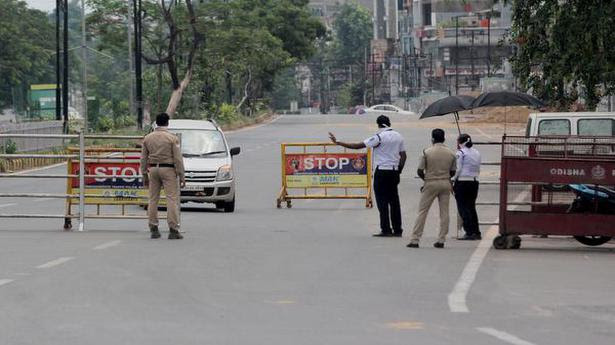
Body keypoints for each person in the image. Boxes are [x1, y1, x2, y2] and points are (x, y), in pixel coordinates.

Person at [329, 115, 407, 237]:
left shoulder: (378, 137)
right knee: (394, 202)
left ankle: (386, 229)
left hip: (381, 172)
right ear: (389, 123)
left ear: (378, 125)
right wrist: (399, 170)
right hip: (394, 172)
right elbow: (403, 156)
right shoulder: (399, 136)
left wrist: (338, 142)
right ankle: (398, 229)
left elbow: (357, 146)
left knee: (382, 202)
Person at [407, 129, 456, 248]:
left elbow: (419, 171)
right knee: (444, 212)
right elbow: (453, 171)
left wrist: (426, 179)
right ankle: (441, 239)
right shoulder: (451, 153)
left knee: (423, 211)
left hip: (430, 182)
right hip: (445, 183)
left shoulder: (427, 152)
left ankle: (415, 239)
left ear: (432, 139)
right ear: (444, 138)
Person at [141, 113, 186, 239]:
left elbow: (143, 158)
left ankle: (153, 228)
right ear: (167, 123)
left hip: (153, 169)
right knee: (171, 199)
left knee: (153, 199)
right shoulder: (172, 138)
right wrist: (182, 175)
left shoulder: (148, 138)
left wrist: (144, 174)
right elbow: (178, 159)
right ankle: (173, 229)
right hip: (168, 169)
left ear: (156, 122)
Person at [453, 134, 482, 240]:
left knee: (462, 208)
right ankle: (476, 231)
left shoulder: (460, 153)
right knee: (471, 207)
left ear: (460, 142)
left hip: (462, 182)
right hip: (474, 182)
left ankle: (469, 232)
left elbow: (458, 169)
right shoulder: (477, 152)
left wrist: (453, 180)